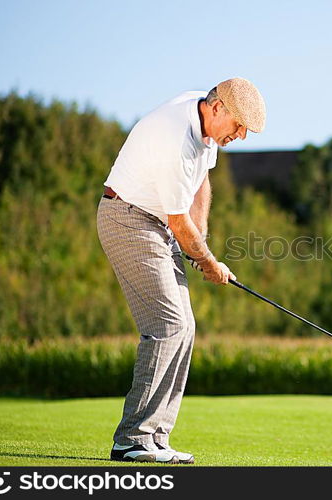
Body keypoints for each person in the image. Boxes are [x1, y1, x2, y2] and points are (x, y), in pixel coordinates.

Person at [96, 77, 266, 463]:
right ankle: (132, 439)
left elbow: (201, 183)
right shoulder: (177, 139)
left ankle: (155, 437)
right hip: (127, 219)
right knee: (167, 324)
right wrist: (208, 262)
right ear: (218, 107)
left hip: (154, 224)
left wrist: (200, 237)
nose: (240, 135)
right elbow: (177, 221)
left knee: (185, 326)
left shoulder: (205, 123)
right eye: (239, 125)